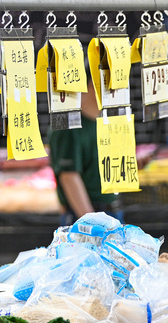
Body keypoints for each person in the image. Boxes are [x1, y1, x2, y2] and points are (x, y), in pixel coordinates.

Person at [49, 80, 114, 220]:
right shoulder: (68, 126)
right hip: (86, 215)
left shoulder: (101, 122)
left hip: (109, 212)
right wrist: (91, 221)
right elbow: (69, 176)